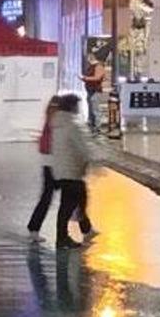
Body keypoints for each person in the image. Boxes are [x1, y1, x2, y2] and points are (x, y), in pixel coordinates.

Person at [27, 96, 94, 243]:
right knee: (71, 197)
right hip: (56, 162)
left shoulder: (54, 120)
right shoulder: (63, 121)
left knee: (62, 197)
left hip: (51, 162)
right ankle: (75, 232)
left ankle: (84, 228)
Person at [51, 94, 98, 248]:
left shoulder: (57, 123)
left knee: (69, 203)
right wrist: (91, 160)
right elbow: (83, 147)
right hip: (72, 170)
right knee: (74, 202)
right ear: (73, 106)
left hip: (61, 169)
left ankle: (83, 229)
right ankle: (63, 238)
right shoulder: (73, 125)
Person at [80, 57, 106, 130]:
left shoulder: (98, 66)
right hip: (90, 90)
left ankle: (97, 126)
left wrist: (86, 78)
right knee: (91, 109)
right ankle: (92, 124)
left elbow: (97, 78)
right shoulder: (92, 67)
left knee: (95, 109)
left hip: (95, 91)